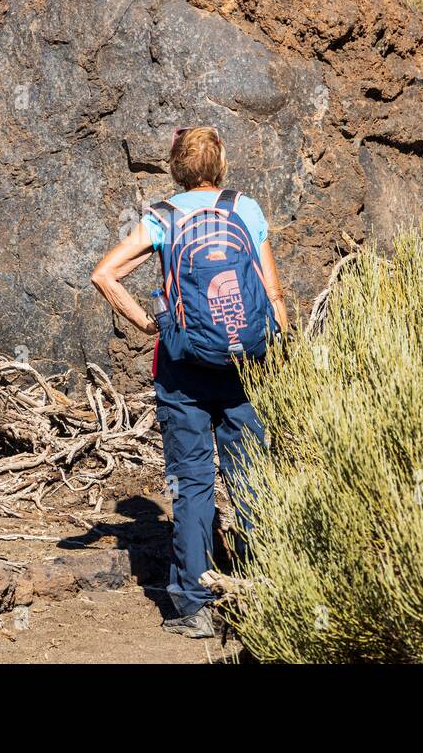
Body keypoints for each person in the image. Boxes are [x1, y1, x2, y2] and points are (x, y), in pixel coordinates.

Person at [91, 126, 289, 638]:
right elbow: (272, 290)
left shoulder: (163, 216)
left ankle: (193, 605)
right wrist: (280, 353)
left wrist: (149, 324)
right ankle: (259, 588)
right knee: (252, 477)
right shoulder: (245, 209)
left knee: (191, 482)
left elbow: (105, 274)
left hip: (181, 370)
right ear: (220, 165)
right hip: (247, 366)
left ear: (175, 168)